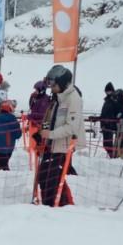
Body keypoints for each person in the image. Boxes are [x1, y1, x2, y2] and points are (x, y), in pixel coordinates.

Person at [33, 65, 85, 207]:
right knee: (45, 176)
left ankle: (59, 206)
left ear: (62, 83)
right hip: (52, 144)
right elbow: (49, 119)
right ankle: (51, 204)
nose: (51, 88)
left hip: (64, 146)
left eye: (53, 85)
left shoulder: (73, 98)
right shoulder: (57, 98)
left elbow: (71, 127)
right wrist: (40, 134)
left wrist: (49, 134)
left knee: (51, 177)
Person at [0, 101, 21, 170]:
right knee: (4, 164)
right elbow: (18, 135)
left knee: (1, 167)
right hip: (9, 148)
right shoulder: (14, 120)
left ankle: (4, 178)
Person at [98, 82, 123, 159]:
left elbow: (115, 113)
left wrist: (114, 120)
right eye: (106, 91)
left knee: (114, 145)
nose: (107, 93)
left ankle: (116, 157)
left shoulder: (114, 101)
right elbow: (105, 113)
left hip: (112, 125)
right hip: (107, 124)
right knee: (109, 145)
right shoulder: (108, 101)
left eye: (109, 91)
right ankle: (115, 157)